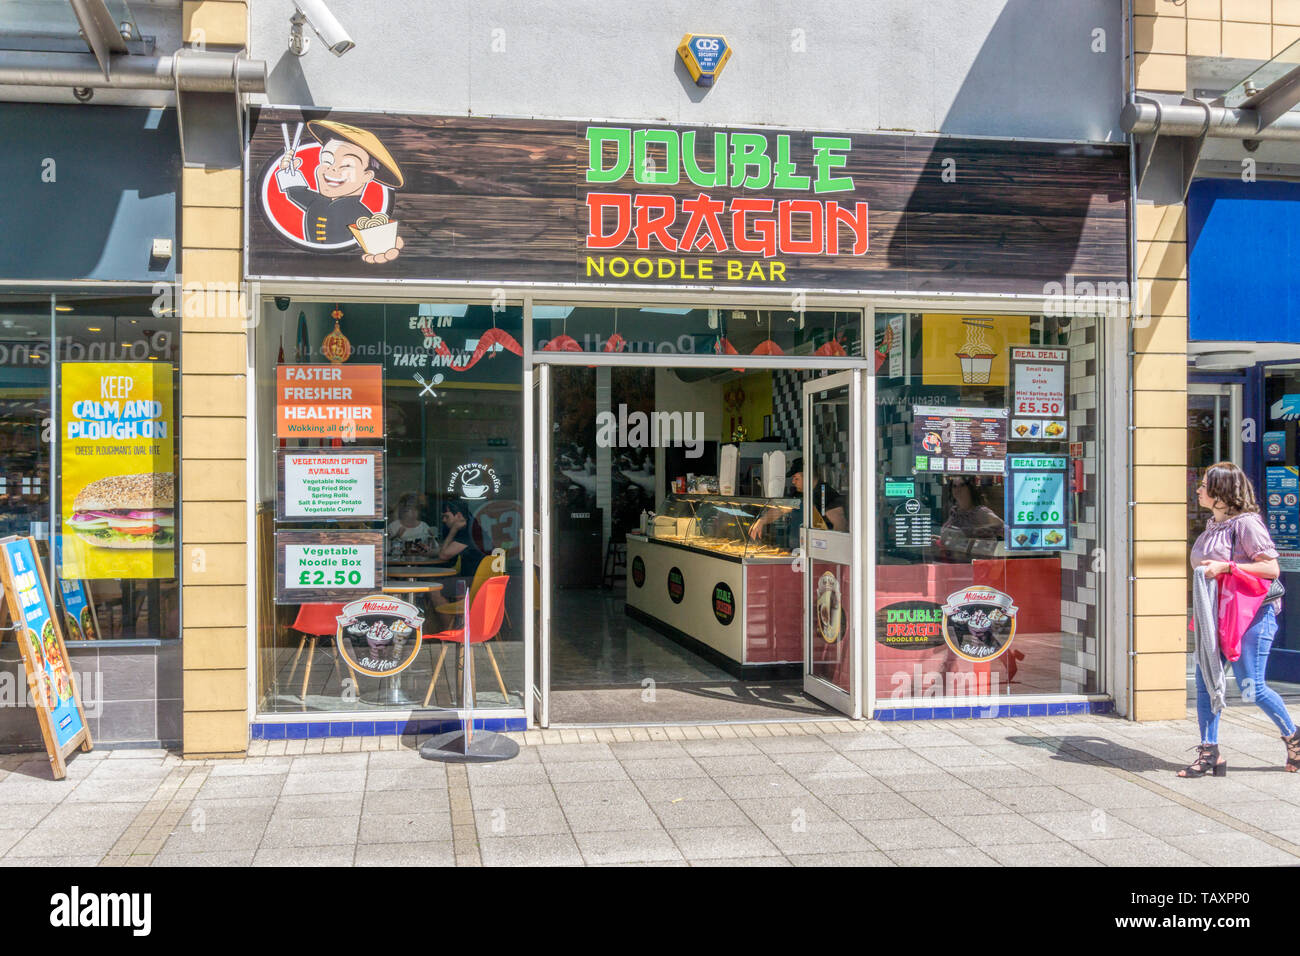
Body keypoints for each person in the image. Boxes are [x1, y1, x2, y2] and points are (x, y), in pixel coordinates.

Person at [1182, 461, 1300, 777]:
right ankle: (1210, 752)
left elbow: (1271, 569)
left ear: (1221, 491)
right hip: (1216, 614)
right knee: (1208, 680)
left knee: (1252, 685)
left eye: (1204, 484)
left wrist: (1227, 568)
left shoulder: (1247, 525)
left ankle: (1293, 735)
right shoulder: (1214, 524)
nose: (1198, 488)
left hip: (1252, 616)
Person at [749, 457, 846, 539]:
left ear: (808, 477)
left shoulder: (826, 493)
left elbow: (840, 523)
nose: (793, 482)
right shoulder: (800, 493)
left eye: (796, 478)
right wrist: (761, 521)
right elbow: (781, 509)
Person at [936, 476, 1003, 559]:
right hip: (955, 564)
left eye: (962, 485)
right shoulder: (954, 512)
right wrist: (940, 539)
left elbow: (1006, 532)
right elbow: (957, 539)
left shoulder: (980, 512)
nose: (958, 489)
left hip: (977, 565)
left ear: (970, 488)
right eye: (954, 486)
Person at [437, 499, 487, 580]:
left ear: (459, 515)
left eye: (446, 516)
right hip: (474, 577)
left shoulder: (468, 533)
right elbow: (447, 550)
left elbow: (443, 555)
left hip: (474, 581)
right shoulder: (471, 527)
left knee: (435, 581)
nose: (444, 520)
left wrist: (453, 530)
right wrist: (430, 552)